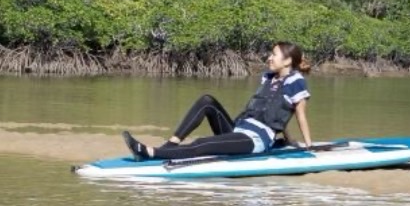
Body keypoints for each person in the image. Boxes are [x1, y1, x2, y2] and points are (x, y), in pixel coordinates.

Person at [122, 42, 313, 161]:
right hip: (238, 130)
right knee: (207, 101)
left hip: (254, 139)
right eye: (270, 54)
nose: (269, 58)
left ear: (287, 61)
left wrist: (308, 146)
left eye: (274, 55)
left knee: (204, 143)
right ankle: (171, 145)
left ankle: (149, 152)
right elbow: (276, 111)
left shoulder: (296, 82)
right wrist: (288, 139)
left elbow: (299, 114)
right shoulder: (268, 78)